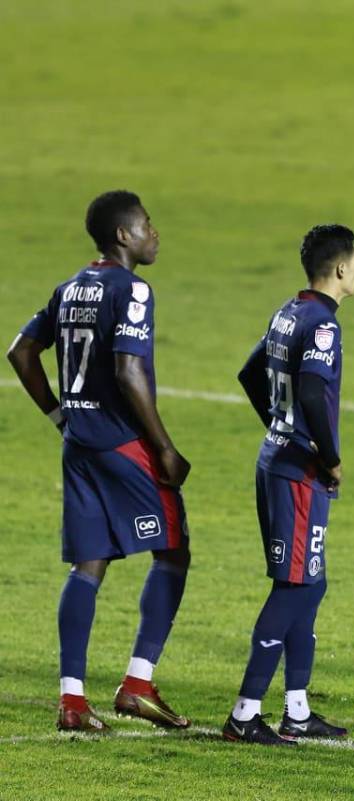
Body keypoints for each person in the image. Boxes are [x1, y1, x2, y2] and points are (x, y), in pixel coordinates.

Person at [7, 191, 191, 732]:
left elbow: (20, 351)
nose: (155, 233)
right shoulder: (132, 289)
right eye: (147, 225)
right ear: (123, 236)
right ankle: (137, 684)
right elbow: (130, 372)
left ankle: (72, 700)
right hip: (123, 444)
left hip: (79, 444)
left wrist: (59, 416)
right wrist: (164, 447)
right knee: (173, 550)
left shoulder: (70, 288)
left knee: (88, 565)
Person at [223, 224, 354, 745]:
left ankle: (297, 709)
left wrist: (279, 428)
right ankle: (244, 714)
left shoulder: (288, 312)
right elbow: (310, 392)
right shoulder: (322, 324)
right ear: (341, 268)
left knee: (311, 582)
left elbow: (249, 373)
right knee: (294, 586)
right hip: (299, 473)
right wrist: (329, 457)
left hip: (280, 460)